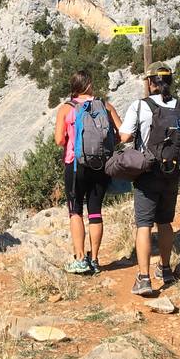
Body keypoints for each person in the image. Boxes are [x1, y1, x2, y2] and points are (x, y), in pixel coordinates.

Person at [120, 62, 180, 297]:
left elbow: (125, 136)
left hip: (147, 173)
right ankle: (166, 269)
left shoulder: (140, 106)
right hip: (172, 174)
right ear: (169, 81)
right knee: (165, 222)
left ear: (150, 82)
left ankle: (144, 278)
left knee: (143, 224)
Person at [54, 70, 122, 274]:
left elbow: (59, 140)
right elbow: (122, 133)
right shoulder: (104, 105)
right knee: (95, 211)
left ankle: (80, 259)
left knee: (75, 211)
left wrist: (72, 139)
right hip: (101, 165)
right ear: (89, 85)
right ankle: (95, 259)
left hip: (75, 166)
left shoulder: (66, 109)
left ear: (73, 87)